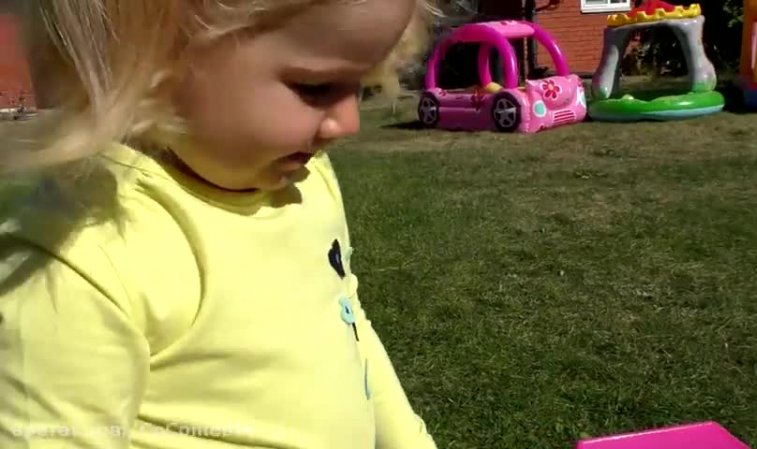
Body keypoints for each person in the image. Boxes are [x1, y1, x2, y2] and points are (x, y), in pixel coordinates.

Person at [0, 1, 439, 448]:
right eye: (316, 87)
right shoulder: (84, 263)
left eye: (360, 85)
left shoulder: (307, 185)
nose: (348, 123)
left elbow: (347, 319)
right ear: (150, 61)